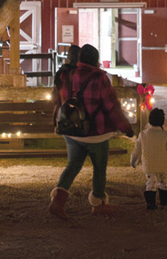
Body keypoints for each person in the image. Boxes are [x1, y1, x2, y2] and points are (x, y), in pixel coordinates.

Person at [49, 44, 134, 220]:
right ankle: (99, 203)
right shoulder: (100, 78)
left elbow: (57, 100)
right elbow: (111, 107)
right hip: (97, 134)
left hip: (72, 131)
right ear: (95, 60)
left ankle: (57, 202)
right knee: (99, 168)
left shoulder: (66, 74)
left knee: (73, 165)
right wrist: (126, 128)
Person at [130, 108, 167, 210]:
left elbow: (137, 149)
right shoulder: (165, 135)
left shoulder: (143, 135)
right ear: (162, 121)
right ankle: (164, 199)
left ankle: (151, 203)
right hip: (162, 165)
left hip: (149, 165)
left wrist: (133, 159)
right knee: (163, 181)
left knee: (151, 182)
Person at [51, 44, 80, 124]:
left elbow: (55, 99)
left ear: (69, 57)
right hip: (80, 119)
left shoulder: (61, 74)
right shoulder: (82, 74)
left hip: (63, 118)